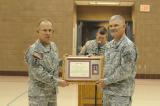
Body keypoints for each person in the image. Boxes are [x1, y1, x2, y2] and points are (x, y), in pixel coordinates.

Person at [25, 19, 69, 106]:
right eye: (44, 30)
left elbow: (52, 64)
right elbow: (38, 73)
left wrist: (64, 61)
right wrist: (57, 82)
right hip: (39, 95)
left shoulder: (53, 46)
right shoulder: (35, 50)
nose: (48, 33)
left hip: (51, 93)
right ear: (38, 32)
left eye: (50, 30)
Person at [96, 15, 137, 106]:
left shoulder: (128, 46)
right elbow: (107, 64)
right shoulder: (109, 45)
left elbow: (125, 71)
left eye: (116, 25)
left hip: (120, 95)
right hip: (107, 93)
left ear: (124, 26)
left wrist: (106, 81)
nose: (113, 28)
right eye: (110, 26)